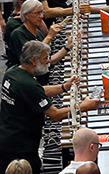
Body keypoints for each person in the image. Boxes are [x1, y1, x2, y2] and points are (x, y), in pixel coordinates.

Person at [0, 41, 99, 174]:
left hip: (6, 136)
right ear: (33, 60)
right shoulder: (27, 84)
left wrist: (64, 87)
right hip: (21, 144)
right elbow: (55, 114)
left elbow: (38, 91)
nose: (48, 61)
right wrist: (83, 107)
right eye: (45, 58)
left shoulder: (13, 72)